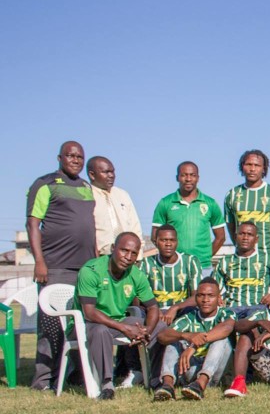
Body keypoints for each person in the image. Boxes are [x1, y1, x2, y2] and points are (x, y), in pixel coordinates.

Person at [27, 140, 96, 391]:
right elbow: (33, 223)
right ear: (60, 158)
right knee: (52, 325)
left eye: (80, 157)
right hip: (56, 266)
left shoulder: (86, 187)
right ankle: (43, 380)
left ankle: (76, 375)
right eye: (71, 156)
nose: (76, 160)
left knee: (81, 324)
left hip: (85, 268)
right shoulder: (44, 184)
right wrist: (40, 262)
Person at [75, 233, 160, 400]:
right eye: (124, 250)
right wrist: (124, 328)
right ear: (113, 249)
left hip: (117, 322)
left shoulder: (136, 274)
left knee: (161, 327)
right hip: (85, 325)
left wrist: (146, 331)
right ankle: (107, 385)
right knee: (101, 330)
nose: (128, 257)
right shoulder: (90, 271)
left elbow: (153, 307)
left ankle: (158, 380)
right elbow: (89, 312)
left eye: (134, 253)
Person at [152, 278, 236, 401]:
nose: (205, 300)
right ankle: (168, 385)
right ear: (195, 298)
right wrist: (185, 335)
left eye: (210, 296)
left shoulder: (226, 314)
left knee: (221, 340)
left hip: (215, 372)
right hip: (190, 369)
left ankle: (200, 384)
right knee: (174, 340)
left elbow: (226, 328)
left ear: (219, 299)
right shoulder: (190, 317)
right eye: (201, 295)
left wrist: (193, 346)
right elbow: (162, 336)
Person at [151, 161, 226, 272]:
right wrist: (170, 257)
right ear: (177, 178)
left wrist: (205, 256)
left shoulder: (210, 203)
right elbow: (155, 237)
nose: (188, 179)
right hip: (175, 267)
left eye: (192, 175)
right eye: (184, 175)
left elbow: (221, 237)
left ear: (198, 178)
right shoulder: (165, 203)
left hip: (203, 267)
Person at [224, 149, 270, 261]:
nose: (252, 169)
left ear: (264, 169)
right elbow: (232, 229)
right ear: (242, 167)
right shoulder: (232, 195)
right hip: (242, 259)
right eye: (249, 164)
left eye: (257, 165)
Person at [213, 222, 270, 317]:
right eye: (241, 234)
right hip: (232, 310)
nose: (245, 238)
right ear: (235, 236)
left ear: (256, 239)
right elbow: (212, 288)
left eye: (250, 235)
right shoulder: (225, 261)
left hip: (258, 310)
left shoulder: (268, 260)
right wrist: (217, 297)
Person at [139, 225, 203, 326]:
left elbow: (197, 296)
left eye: (172, 240)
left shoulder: (190, 261)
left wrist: (175, 307)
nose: (168, 244)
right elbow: (140, 295)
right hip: (153, 311)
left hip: (182, 310)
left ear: (177, 242)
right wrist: (154, 309)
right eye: (164, 240)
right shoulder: (146, 263)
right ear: (155, 242)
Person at [86, 156, 143, 256]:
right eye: (106, 172)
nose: (111, 175)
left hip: (128, 257)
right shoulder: (86, 195)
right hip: (101, 256)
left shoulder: (122, 195)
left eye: (112, 172)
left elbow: (135, 226)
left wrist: (138, 255)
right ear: (92, 175)